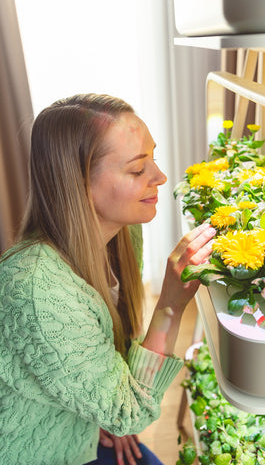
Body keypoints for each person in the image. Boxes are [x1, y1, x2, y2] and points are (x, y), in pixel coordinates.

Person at [0, 93, 215, 465]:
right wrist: (171, 304)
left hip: (79, 426)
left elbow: (103, 356)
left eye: (153, 159)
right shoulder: (34, 287)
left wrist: (92, 400)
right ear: (79, 184)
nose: (160, 177)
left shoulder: (124, 233)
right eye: (137, 170)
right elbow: (128, 413)